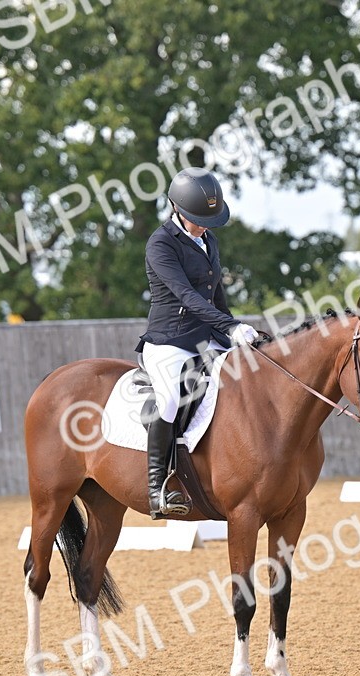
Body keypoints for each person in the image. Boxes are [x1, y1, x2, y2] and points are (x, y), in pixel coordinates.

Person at [136, 168, 258, 519]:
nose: (204, 226)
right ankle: (157, 488)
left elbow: (216, 296)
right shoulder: (161, 243)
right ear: (176, 208)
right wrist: (229, 326)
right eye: (197, 220)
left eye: (208, 221)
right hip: (170, 340)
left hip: (208, 338)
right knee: (170, 399)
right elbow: (187, 296)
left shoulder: (208, 240)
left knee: (249, 376)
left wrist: (235, 330)